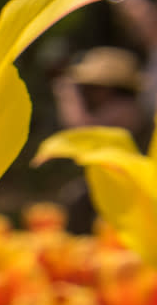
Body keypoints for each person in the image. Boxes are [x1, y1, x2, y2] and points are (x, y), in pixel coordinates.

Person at [51, 47, 151, 233]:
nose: (87, 93)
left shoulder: (125, 109)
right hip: (115, 183)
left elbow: (82, 130)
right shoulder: (112, 108)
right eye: (84, 88)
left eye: (93, 87)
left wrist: (68, 96)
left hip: (132, 186)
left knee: (79, 198)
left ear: (115, 88)